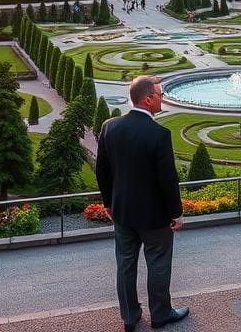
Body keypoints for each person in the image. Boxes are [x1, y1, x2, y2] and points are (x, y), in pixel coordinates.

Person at [96, 76, 189, 331]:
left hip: (122, 212)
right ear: (148, 99)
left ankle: (130, 318)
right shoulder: (159, 134)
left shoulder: (110, 127)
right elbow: (168, 179)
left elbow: (101, 170)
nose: (162, 98)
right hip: (154, 216)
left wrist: (108, 202)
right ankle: (160, 315)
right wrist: (176, 213)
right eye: (159, 94)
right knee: (158, 264)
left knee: (125, 265)